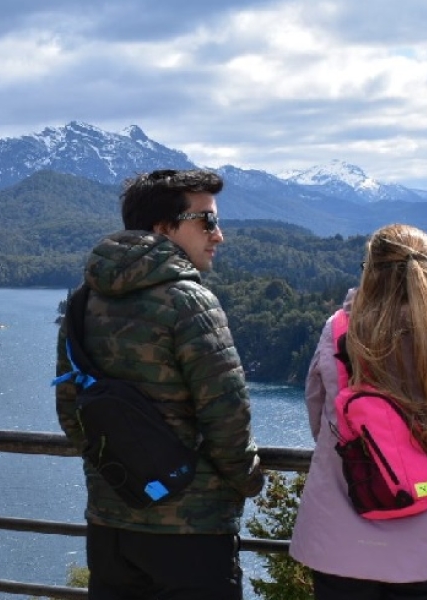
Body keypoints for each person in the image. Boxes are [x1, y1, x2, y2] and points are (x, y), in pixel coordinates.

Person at [54, 168, 265, 600]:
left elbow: (70, 406)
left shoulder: (84, 298)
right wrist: (248, 481)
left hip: (111, 526)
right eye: (206, 220)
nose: (218, 234)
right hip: (192, 533)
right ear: (162, 228)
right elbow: (227, 411)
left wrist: (119, 478)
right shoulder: (188, 300)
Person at [289, 223, 427, 599]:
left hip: (340, 544)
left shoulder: (341, 329)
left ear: (370, 272)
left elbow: (319, 418)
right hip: (426, 543)